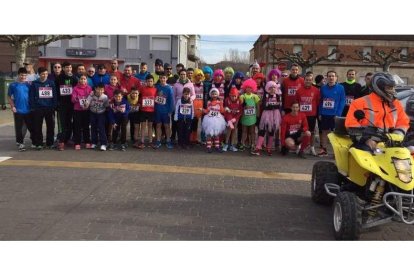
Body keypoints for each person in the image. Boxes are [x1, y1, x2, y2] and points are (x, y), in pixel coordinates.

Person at [345, 72, 409, 152]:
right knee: (363, 156)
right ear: (379, 88)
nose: (393, 90)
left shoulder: (396, 103)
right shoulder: (359, 102)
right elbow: (351, 125)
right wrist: (367, 140)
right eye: (389, 88)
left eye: (393, 87)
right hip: (366, 141)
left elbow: (403, 122)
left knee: (408, 154)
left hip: (391, 142)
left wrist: (397, 135)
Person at [318, 70, 346, 157]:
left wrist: (338, 114)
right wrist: (320, 112)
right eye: (329, 76)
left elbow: (342, 101)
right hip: (325, 113)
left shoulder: (340, 88)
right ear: (326, 78)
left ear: (336, 77)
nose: (331, 78)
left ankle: (336, 152)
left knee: (336, 133)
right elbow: (320, 101)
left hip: (335, 115)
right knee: (324, 132)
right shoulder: (323, 88)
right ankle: (324, 150)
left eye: (333, 76)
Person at [29, 67, 58, 150]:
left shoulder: (51, 83)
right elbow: (31, 96)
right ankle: (39, 143)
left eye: (46, 74)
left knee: (51, 126)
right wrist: (33, 107)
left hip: (49, 108)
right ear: (39, 74)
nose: (44, 75)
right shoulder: (34, 83)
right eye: (42, 74)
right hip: (38, 108)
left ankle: (50, 143)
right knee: (37, 127)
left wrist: (54, 106)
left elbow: (54, 96)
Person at [251, 81, 282, 156]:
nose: (273, 89)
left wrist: (271, 106)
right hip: (267, 115)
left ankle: (269, 148)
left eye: (274, 87)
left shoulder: (278, 96)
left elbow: (279, 105)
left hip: (275, 115)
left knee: (271, 131)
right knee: (262, 130)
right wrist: (273, 106)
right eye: (271, 88)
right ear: (268, 88)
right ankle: (258, 148)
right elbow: (264, 106)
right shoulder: (266, 95)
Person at [8, 67, 34, 151]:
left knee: (31, 127)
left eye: (25, 75)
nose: (23, 77)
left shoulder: (29, 85)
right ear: (18, 75)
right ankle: (20, 144)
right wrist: (13, 106)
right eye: (22, 75)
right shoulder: (13, 85)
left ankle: (34, 142)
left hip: (28, 110)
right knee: (19, 128)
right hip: (18, 110)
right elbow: (9, 97)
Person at [55, 61, 78, 150]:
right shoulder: (59, 78)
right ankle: (61, 142)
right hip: (62, 105)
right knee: (62, 124)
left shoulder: (74, 78)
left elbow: (77, 90)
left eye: (70, 67)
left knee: (70, 123)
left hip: (72, 105)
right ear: (63, 68)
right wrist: (57, 103)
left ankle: (67, 139)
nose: (69, 69)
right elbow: (55, 91)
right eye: (66, 67)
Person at [296, 74, 321, 156]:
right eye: (306, 80)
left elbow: (317, 103)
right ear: (304, 80)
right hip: (301, 115)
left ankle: (312, 148)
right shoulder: (299, 90)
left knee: (312, 132)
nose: (308, 81)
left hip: (312, 114)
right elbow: (297, 102)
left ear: (312, 81)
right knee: (301, 131)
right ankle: (299, 147)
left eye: (309, 80)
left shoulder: (316, 90)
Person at [85, 83, 109, 151]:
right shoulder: (91, 95)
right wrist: (86, 103)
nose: (100, 91)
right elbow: (87, 102)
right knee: (93, 128)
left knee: (101, 128)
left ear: (104, 90)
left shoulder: (105, 97)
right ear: (95, 89)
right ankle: (94, 142)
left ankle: (103, 144)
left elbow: (107, 106)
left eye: (102, 90)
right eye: (98, 89)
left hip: (101, 114)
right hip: (92, 113)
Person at [201, 88, 226, 153]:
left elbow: (222, 110)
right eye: (213, 94)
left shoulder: (220, 102)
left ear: (217, 94)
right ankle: (209, 147)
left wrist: (226, 109)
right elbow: (207, 111)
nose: (214, 95)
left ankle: (217, 146)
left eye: (215, 94)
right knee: (209, 133)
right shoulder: (209, 102)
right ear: (210, 95)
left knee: (216, 134)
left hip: (218, 119)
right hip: (210, 119)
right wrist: (202, 110)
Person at [71, 74, 92, 150]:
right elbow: (73, 99)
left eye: (84, 79)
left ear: (86, 80)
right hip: (77, 110)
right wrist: (78, 99)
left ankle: (87, 142)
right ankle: (77, 143)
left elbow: (91, 98)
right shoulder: (75, 88)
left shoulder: (89, 88)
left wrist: (87, 101)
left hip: (86, 110)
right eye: (81, 79)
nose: (83, 80)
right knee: (77, 127)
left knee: (86, 127)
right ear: (79, 80)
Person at [239, 78, 261, 152]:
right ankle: (242, 143)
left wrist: (258, 115)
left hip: (252, 117)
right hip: (244, 117)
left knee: (252, 131)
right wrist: (243, 105)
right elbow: (241, 104)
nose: (249, 89)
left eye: (250, 88)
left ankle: (253, 144)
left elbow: (258, 106)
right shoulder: (242, 96)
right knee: (244, 131)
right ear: (245, 88)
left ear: (253, 88)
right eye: (247, 87)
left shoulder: (255, 96)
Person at [154, 73, 175, 149]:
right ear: (159, 78)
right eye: (161, 78)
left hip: (166, 111)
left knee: (167, 126)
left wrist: (170, 111)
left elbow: (171, 101)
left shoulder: (169, 88)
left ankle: (168, 140)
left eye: (164, 78)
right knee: (158, 125)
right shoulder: (157, 87)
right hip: (158, 110)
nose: (162, 79)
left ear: (166, 78)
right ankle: (158, 140)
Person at [137, 74, 157, 148]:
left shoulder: (155, 89)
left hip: (151, 110)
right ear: (146, 82)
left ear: (153, 82)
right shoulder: (142, 88)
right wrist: (139, 102)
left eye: (151, 81)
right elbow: (138, 96)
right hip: (143, 110)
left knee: (150, 126)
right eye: (148, 81)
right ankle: (142, 141)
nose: (149, 82)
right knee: (143, 126)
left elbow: (157, 99)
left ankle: (150, 141)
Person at [223, 87, 243, 152]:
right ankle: (226, 144)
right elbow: (226, 110)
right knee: (229, 129)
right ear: (229, 95)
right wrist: (230, 119)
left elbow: (240, 111)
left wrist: (235, 118)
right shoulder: (227, 100)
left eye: (235, 96)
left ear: (237, 95)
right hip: (229, 117)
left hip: (236, 117)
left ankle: (232, 145)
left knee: (234, 130)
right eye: (232, 96)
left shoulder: (239, 100)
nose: (233, 97)